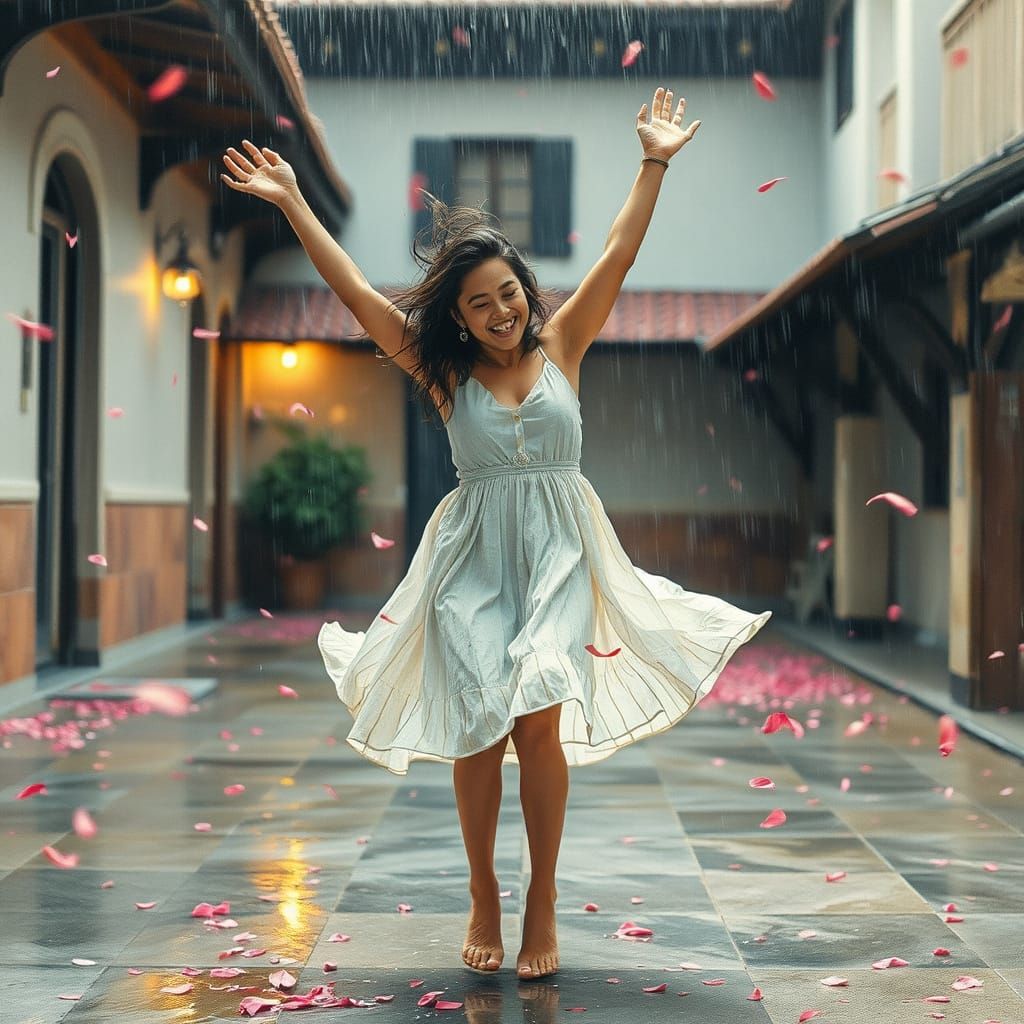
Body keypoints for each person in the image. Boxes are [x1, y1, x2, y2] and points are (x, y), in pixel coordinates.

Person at [221, 87, 771, 982]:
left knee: (540, 718)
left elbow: (619, 253)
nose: (502, 312)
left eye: (509, 293)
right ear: (460, 317)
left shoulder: (565, 344)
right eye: (481, 304)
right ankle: (484, 890)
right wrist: (291, 202)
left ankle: (542, 894)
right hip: (472, 562)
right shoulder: (443, 374)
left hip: (560, 555)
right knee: (482, 726)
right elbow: (355, 291)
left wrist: (655, 160)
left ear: (524, 289)